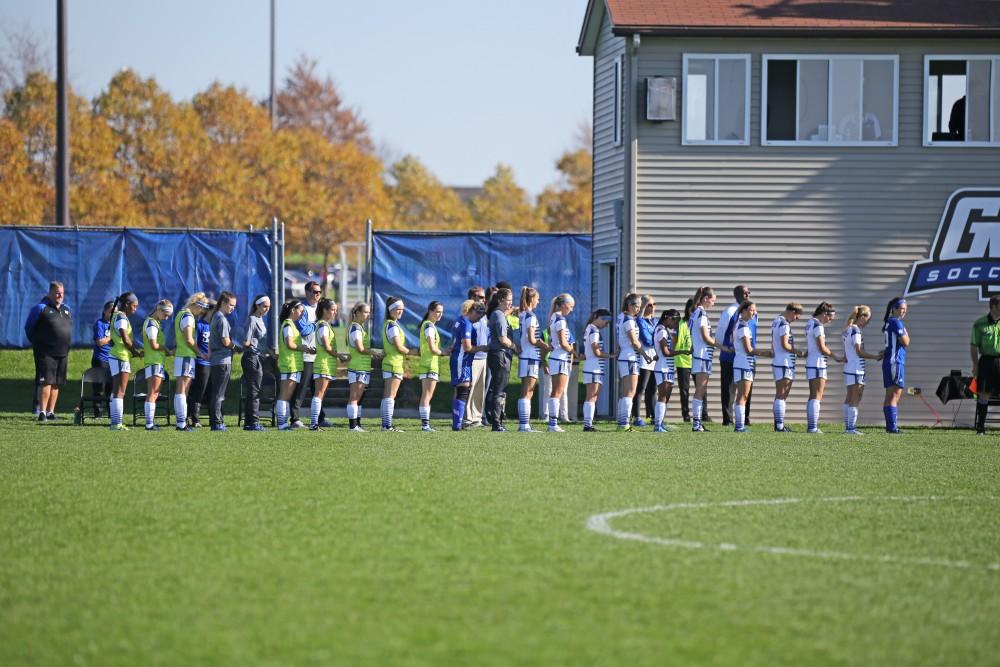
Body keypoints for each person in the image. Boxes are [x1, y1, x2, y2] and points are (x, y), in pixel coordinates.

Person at [24, 281, 72, 422]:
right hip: (46, 353)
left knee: (57, 383)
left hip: (62, 352)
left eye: (62, 293)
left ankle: (51, 412)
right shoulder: (40, 308)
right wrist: (39, 344)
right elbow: (29, 328)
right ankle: (42, 412)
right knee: (47, 382)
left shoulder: (66, 309)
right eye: (57, 292)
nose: (60, 295)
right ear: (50, 292)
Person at [842, 305, 882, 435]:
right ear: (862, 317)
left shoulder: (848, 329)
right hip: (856, 368)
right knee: (856, 397)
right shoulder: (856, 330)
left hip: (850, 367)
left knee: (850, 397)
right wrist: (876, 356)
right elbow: (859, 351)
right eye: (868, 318)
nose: (868, 322)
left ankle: (848, 427)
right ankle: (851, 428)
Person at [804, 302, 844, 434]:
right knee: (817, 395)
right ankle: (813, 427)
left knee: (813, 395)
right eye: (830, 317)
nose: (831, 320)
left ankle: (812, 426)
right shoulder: (818, 326)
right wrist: (835, 356)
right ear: (824, 313)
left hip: (811, 362)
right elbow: (821, 347)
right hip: (818, 363)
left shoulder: (810, 323)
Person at [732, 300, 771, 432]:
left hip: (743, 364)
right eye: (751, 310)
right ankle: (739, 426)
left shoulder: (740, 325)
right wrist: (766, 353)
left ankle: (739, 425)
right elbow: (748, 349)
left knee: (743, 396)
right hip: (744, 364)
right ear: (743, 311)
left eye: (755, 310)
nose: (754, 312)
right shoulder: (743, 327)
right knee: (742, 396)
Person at [173, 293, 210, 431]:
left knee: (181, 390)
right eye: (201, 309)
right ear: (195, 305)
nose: (201, 312)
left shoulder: (180, 314)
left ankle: (180, 422)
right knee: (183, 390)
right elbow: (189, 339)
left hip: (182, 355)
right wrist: (200, 353)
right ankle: (181, 423)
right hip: (186, 356)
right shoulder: (188, 317)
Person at [450, 300, 488, 431]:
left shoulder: (459, 320)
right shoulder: (466, 324)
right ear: (472, 311)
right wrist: (482, 348)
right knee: (463, 390)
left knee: (461, 390)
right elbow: (467, 347)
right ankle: (457, 425)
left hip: (458, 358)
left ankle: (457, 423)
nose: (479, 319)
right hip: (462, 360)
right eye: (478, 316)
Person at [516, 287, 550, 432]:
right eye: (537, 298)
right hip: (530, 356)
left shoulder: (523, 314)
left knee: (527, 391)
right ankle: (524, 425)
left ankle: (525, 424)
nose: (538, 301)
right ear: (532, 299)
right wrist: (546, 346)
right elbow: (532, 338)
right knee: (528, 391)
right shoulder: (530, 316)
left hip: (526, 356)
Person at [291, 281, 324, 429]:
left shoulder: (321, 308)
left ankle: (320, 417)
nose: (318, 294)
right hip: (306, 354)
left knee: (318, 388)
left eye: (319, 292)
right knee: (302, 387)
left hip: (319, 355)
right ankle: (295, 418)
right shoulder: (302, 309)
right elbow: (304, 330)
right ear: (307, 293)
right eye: (314, 291)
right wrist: (318, 323)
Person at [717, 285, 751, 426]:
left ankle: (745, 418)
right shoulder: (730, 311)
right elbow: (720, 333)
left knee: (746, 388)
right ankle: (728, 419)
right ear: (736, 295)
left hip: (746, 356)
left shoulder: (752, 312)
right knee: (729, 389)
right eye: (744, 293)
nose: (747, 295)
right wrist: (724, 348)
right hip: (729, 357)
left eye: (748, 292)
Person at [276, 300, 312, 430]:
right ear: (293, 310)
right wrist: (302, 348)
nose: (302, 313)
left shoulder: (290, 324)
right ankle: (282, 424)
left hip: (293, 365)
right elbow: (289, 344)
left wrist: (305, 348)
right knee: (284, 396)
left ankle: (283, 423)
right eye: (301, 310)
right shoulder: (288, 325)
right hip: (290, 364)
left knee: (286, 396)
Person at [107, 292, 141, 431]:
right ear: (127, 304)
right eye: (134, 306)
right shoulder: (121, 317)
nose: (135, 309)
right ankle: (116, 423)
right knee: (120, 391)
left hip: (117, 355)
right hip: (121, 356)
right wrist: (135, 352)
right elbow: (126, 340)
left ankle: (115, 423)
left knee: (117, 391)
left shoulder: (117, 316)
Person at [485, 288, 516, 432]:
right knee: (499, 389)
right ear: (500, 300)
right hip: (500, 354)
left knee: (496, 388)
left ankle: (494, 419)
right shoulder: (498, 315)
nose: (510, 304)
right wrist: (515, 347)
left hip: (498, 354)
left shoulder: (498, 314)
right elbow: (503, 339)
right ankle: (496, 423)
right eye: (508, 301)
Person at [771, 302, 805, 432]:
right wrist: (798, 352)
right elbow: (785, 345)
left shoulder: (776, 321)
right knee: (782, 394)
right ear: (792, 312)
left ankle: (779, 424)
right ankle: (779, 426)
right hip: (784, 362)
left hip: (779, 361)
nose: (796, 320)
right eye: (797, 317)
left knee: (781, 394)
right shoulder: (784, 323)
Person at [310, 298, 343, 431]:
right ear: (325, 310)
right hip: (323, 364)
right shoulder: (323, 325)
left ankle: (314, 423)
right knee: (319, 394)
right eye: (332, 310)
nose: (335, 312)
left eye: (336, 310)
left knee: (320, 394)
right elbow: (327, 346)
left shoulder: (324, 325)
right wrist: (339, 356)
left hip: (325, 364)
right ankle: (314, 424)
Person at [140, 299, 174, 431]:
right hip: (154, 361)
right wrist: (166, 349)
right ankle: (149, 424)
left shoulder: (153, 323)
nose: (166, 318)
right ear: (158, 310)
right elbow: (154, 344)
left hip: (153, 361)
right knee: (153, 393)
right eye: (165, 315)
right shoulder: (152, 324)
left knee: (153, 393)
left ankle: (150, 423)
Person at [689, 286, 718, 432]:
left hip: (701, 356)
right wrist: (722, 346)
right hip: (701, 356)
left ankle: (698, 423)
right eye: (712, 300)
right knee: (700, 390)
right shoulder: (701, 314)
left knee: (701, 389)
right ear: (706, 298)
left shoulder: (696, 312)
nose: (713, 303)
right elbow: (705, 337)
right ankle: (696, 424)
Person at [380, 296, 412, 432]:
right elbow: (399, 347)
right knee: (390, 396)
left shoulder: (388, 324)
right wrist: (411, 352)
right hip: (394, 364)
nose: (400, 311)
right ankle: (387, 426)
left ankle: (385, 425)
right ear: (391, 310)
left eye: (402, 309)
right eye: (398, 309)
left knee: (387, 395)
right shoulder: (392, 325)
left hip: (390, 363)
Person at [208, 291, 238, 432]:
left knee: (216, 392)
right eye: (231, 305)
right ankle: (217, 422)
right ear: (223, 303)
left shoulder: (215, 317)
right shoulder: (222, 319)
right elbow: (225, 341)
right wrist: (235, 347)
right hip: (222, 360)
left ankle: (215, 421)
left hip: (216, 360)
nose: (233, 308)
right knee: (219, 393)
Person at [545, 293, 575, 432]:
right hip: (560, 358)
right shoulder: (560, 320)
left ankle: (552, 423)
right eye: (571, 306)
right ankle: (553, 424)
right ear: (564, 305)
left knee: (555, 392)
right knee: (558, 391)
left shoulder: (553, 317)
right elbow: (563, 342)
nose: (571, 309)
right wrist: (574, 353)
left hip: (555, 357)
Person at [970, 296, 1000, 435]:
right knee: (984, 395)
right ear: (994, 307)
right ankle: (980, 428)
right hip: (987, 362)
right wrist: (975, 365)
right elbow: (974, 346)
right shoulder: (979, 323)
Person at [417, 300, 448, 432]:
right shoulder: (429, 326)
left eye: (441, 312)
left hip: (427, 363)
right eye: (437, 312)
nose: (440, 314)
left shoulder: (428, 325)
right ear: (430, 311)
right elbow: (432, 348)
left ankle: (426, 424)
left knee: (427, 395)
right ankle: (425, 425)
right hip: (430, 364)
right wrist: (444, 352)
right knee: (427, 395)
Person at [241, 294, 270, 432]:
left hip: (258, 357)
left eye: (268, 307)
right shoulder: (253, 319)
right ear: (257, 305)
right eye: (264, 306)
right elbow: (246, 341)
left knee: (253, 391)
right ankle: (253, 422)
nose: (266, 309)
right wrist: (252, 344)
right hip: (252, 357)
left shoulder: (260, 319)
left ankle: (249, 422)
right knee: (254, 392)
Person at [882, 297, 910, 434]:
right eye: (901, 308)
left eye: (905, 309)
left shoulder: (889, 322)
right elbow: (906, 342)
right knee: (895, 395)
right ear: (894, 309)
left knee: (889, 395)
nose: (903, 311)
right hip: (895, 362)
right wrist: (906, 333)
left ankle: (890, 426)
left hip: (888, 361)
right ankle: (892, 427)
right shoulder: (896, 322)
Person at [581, 308, 612, 431]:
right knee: (592, 396)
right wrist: (612, 355)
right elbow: (597, 352)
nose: (606, 323)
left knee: (592, 396)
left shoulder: (590, 328)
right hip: (594, 368)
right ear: (597, 318)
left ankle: (588, 424)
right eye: (605, 320)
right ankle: (587, 425)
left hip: (593, 367)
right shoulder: (594, 331)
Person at [616, 293, 643, 431]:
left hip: (624, 356)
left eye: (639, 306)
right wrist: (645, 354)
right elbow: (634, 341)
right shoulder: (628, 320)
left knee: (625, 391)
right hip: (630, 357)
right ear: (630, 305)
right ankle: (624, 423)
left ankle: (621, 422)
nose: (638, 309)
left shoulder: (622, 317)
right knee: (630, 391)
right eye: (636, 306)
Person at [346, 302, 375, 432]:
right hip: (357, 367)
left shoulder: (359, 328)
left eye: (369, 312)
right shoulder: (356, 328)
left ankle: (357, 424)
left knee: (359, 398)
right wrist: (374, 352)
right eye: (365, 312)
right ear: (357, 312)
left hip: (363, 367)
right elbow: (360, 348)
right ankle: (353, 426)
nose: (367, 315)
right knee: (354, 397)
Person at [652, 308, 681, 432]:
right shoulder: (661, 330)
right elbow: (666, 352)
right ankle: (657, 425)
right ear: (668, 318)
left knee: (666, 397)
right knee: (662, 396)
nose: (675, 324)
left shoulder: (665, 331)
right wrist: (683, 352)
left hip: (667, 367)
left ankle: (661, 422)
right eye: (675, 320)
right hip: (662, 367)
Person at [187, 303, 214, 428]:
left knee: (211, 392)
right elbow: (194, 342)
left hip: (213, 363)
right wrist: (201, 354)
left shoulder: (214, 325)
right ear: (209, 311)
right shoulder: (199, 325)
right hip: (202, 363)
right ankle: (195, 419)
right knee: (199, 391)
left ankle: (214, 418)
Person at [465, 286, 489, 428]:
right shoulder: (467, 313)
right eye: (480, 297)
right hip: (471, 356)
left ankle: (477, 418)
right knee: (470, 388)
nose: (483, 300)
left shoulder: (484, 314)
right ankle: (467, 418)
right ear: (472, 298)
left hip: (483, 356)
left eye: (484, 297)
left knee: (480, 390)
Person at [632, 295, 658, 427]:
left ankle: (654, 416)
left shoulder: (656, 321)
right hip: (644, 358)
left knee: (653, 389)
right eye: (649, 305)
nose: (652, 307)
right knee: (641, 388)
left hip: (654, 358)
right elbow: (647, 340)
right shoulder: (639, 321)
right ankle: (636, 416)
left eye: (654, 304)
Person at [89, 300, 114, 418]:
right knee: (99, 388)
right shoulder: (99, 324)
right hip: (100, 359)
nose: (112, 315)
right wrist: (111, 337)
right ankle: (98, 413)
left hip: (112, 360)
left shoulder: (115, 324)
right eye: (111, 312)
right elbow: (99, 342)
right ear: (105, 311)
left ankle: (111, 413)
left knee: (111, 388)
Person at [675, 299, 694, 422]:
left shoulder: (699, 322)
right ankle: (686, 415)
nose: (693, 312)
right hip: (682, 360)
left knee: (701, 388)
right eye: (692, 309)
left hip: (697, 359)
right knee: (684, 389)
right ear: (687, 309)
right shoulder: (680, 323)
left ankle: (703, 414)